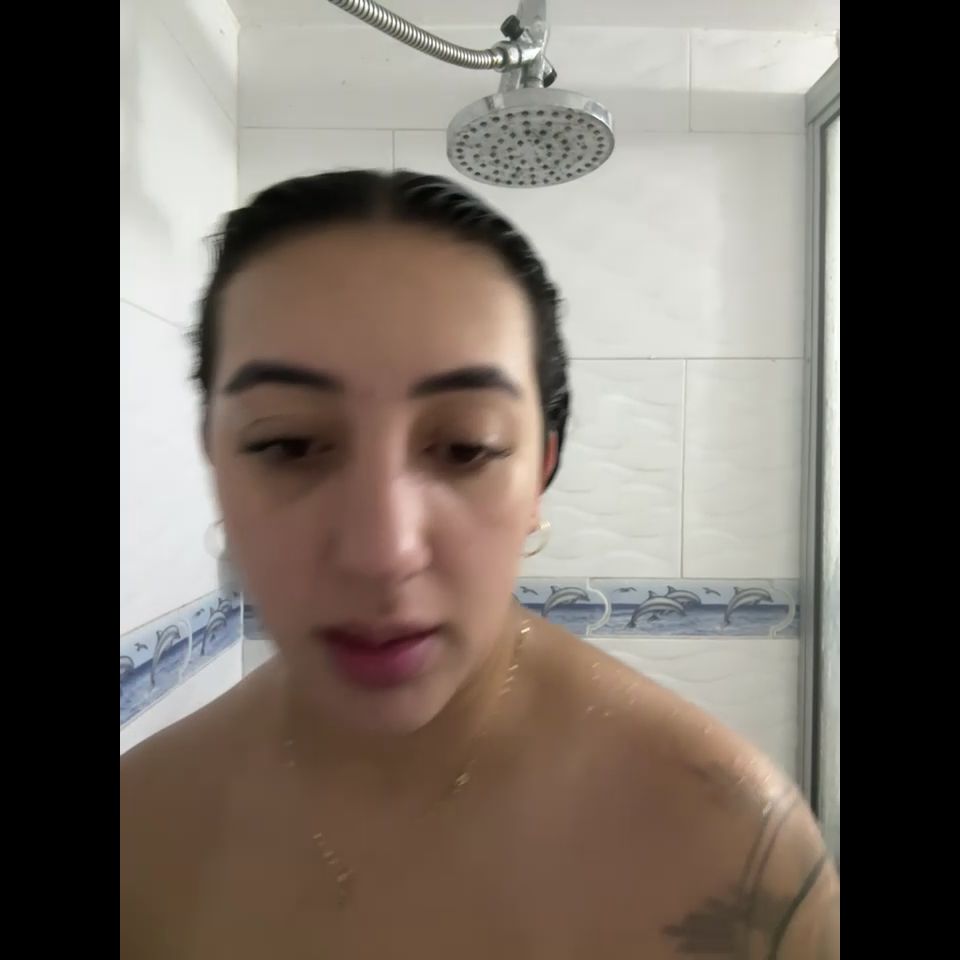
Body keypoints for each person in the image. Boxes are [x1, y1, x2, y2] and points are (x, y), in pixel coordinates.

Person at [120, 170, 839, 958]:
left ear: (539, 474)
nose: (382, 552)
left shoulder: (734, 851)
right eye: (288, 444)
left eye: (465, 448)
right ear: (215, 459)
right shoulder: (140, 833)